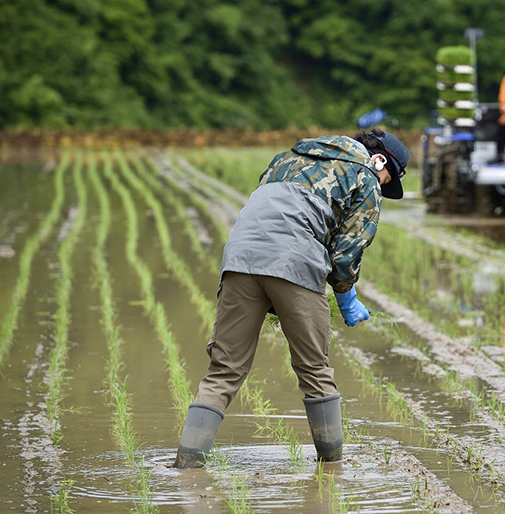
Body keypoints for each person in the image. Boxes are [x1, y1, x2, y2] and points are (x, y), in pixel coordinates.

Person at [173, 128, 409, 468]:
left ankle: (186, 466)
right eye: (388, 179)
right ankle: (332, 469)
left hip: (240, 257)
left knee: (224, 370)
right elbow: (345, 255)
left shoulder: (288, 157)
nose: (383, 186)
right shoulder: (366, 175)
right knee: (315, 370)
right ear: (380, 160)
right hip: (295, 259)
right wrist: (345, 296)